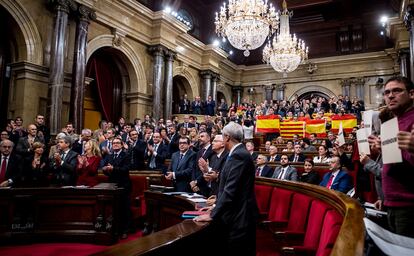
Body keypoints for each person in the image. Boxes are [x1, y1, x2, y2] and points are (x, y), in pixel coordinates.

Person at [194, 122, 257, 255]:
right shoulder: (236, 153)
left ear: (227, 137)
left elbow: (231, 190)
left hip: (240, 217)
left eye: (222, 136)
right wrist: (216, 205)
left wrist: (213, 214)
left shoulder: (238, 155)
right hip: (236, 213)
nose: (222, 139)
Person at [368, 76, 414, 237]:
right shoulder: (393, 123)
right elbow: (400, 164)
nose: (390, 96)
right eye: (387, 92)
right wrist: (385, 198)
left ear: (412, 94)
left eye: (397, 90)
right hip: (392, 203)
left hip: (409, 206)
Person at [100, 137, 131, 239]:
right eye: (114, 143)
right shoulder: (109, 155)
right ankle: (115, 229)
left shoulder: (126, 155)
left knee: (124, 208)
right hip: (112, 185)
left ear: (122, 145)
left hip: (123, 185)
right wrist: (105, 169)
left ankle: (125, 230)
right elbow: (104, 168)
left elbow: (125, 169)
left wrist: (113, 168)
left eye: (118, 143)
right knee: (114, 208)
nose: (115, 144)